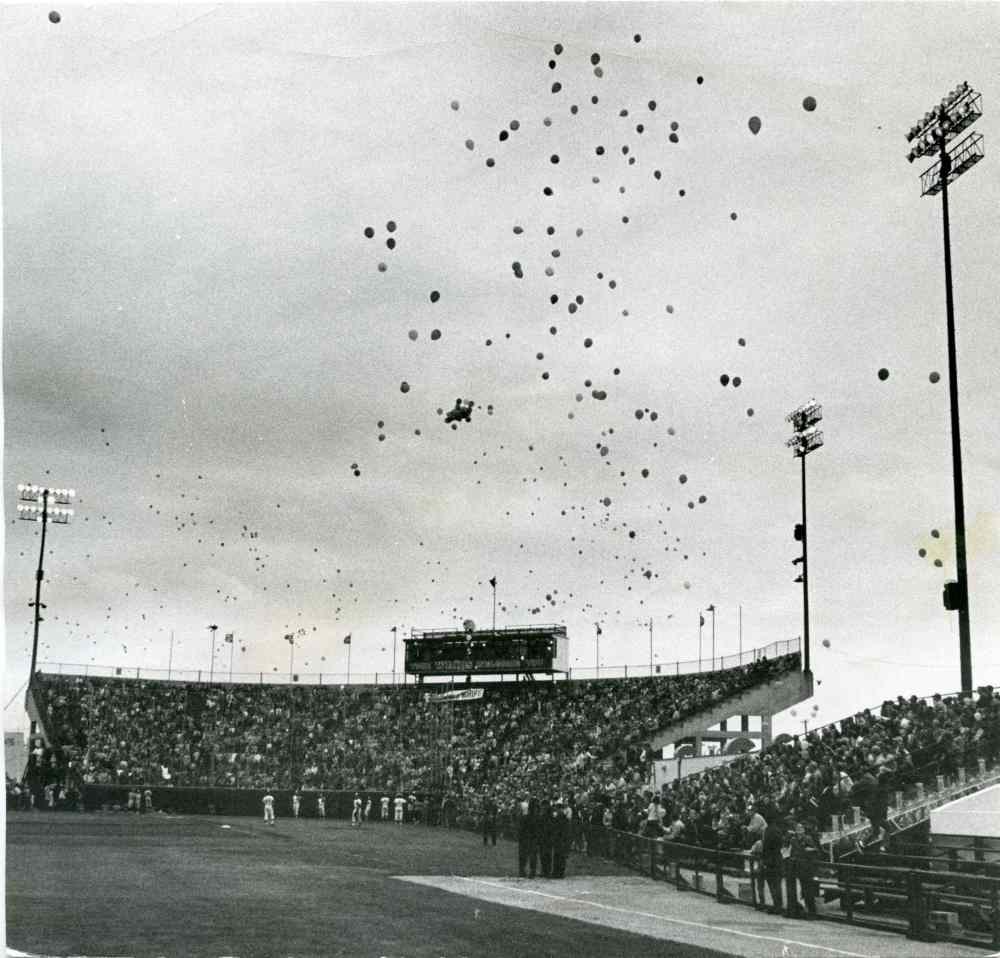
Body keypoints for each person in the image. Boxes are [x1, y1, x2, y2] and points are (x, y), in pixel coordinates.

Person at [788, 820, 820, 918]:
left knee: (807, 890)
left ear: (804, 830)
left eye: (801, 828)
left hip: (806, 867)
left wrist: (810, 850)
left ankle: (811, 912)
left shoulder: (808, 839)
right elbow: (792, 852)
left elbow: (815, 850)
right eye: (797, 828)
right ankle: (800, 910)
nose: (799, 830)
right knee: (799, 890)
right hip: (796, 867)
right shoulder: (793, 840)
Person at [761, 814, 786, 914]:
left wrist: (764, 858)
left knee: (772, 884)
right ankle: (778, 905)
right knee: (777, 884)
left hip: (770, 859)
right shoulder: (778, 830)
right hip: (778, 858)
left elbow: (766, 846)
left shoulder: (767, 830)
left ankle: (776, 905)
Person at [518, 797, 539, 878]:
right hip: (529, 838)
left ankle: (526, 871)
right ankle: (527, 871)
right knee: (529, 856)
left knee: (528, 856)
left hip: (529, 838)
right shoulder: (531, 817)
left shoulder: (527, 817)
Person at [552, 801, 571, 878]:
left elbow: (558, 828)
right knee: (560, 856)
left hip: (560, 838)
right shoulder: (562, 815)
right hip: (561, 838)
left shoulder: (560, 815)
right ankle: (559, 872)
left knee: (559, 856)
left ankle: (558, 873)